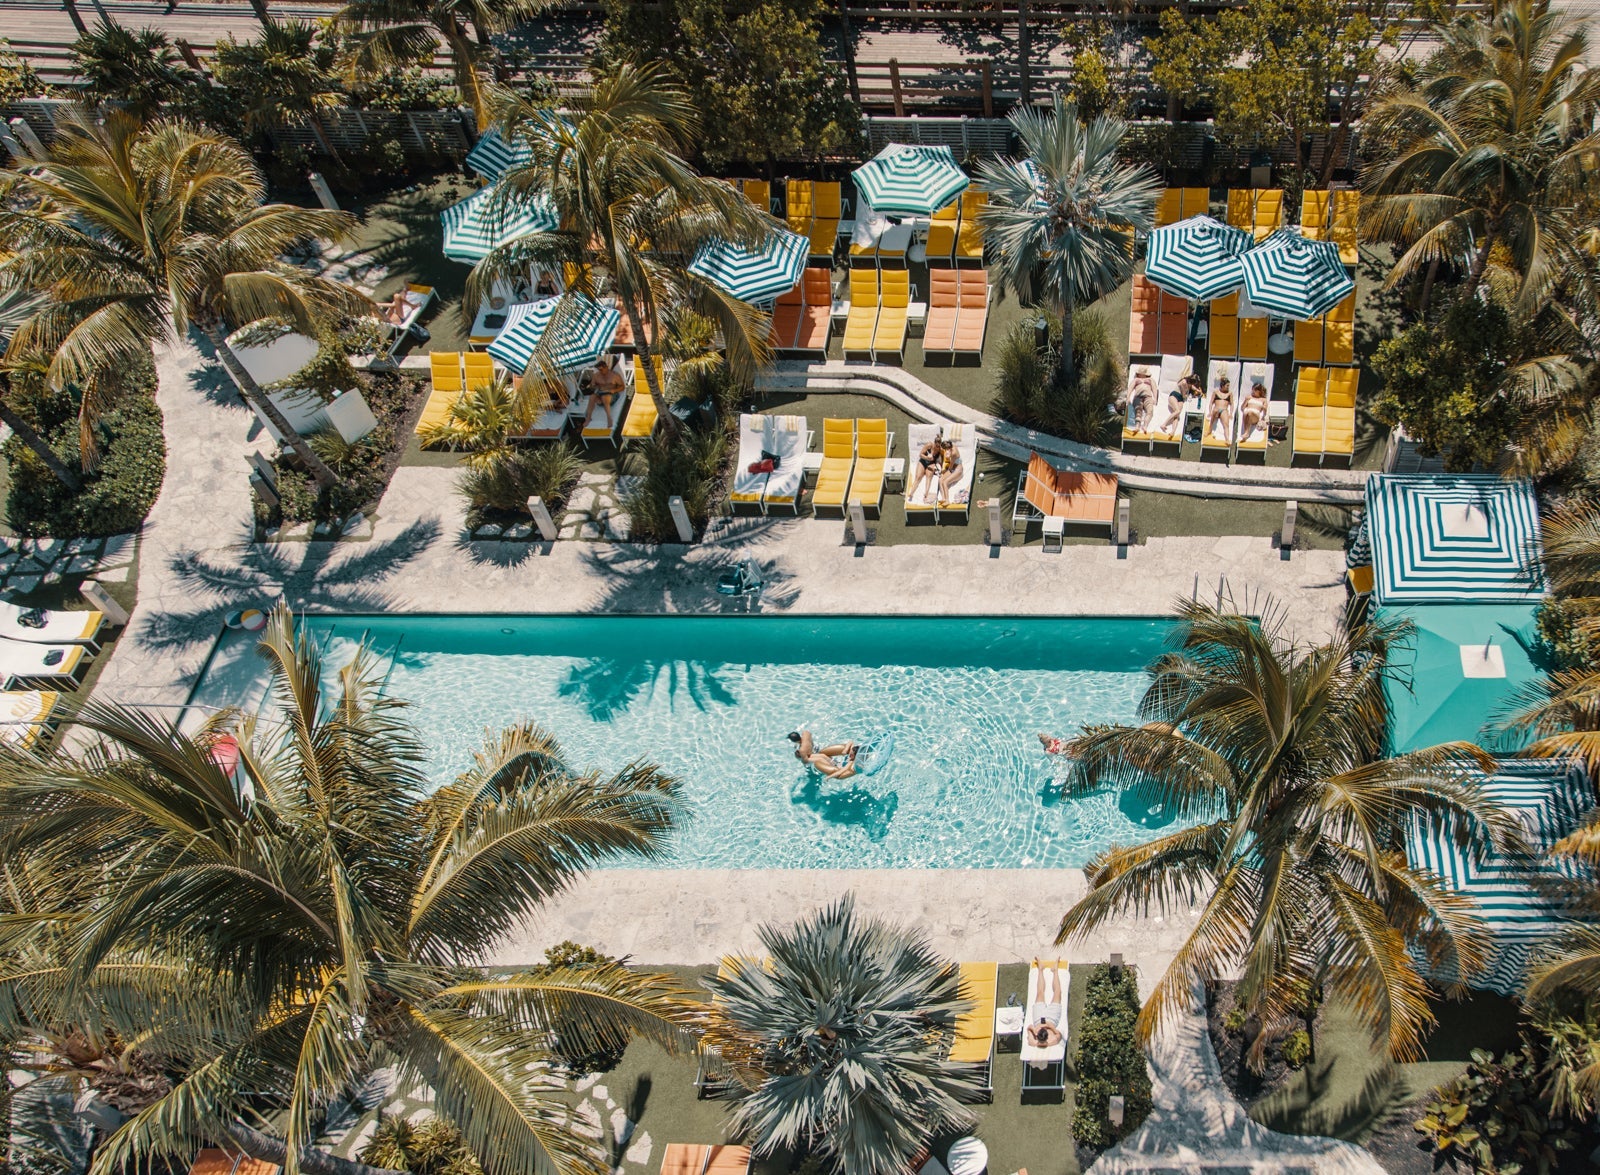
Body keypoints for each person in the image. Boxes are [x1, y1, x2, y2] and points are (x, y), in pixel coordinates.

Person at [788, 731, 858, 780]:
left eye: (852, 754)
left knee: (818, 760)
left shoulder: (802, 750)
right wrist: (845, 750)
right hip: (815, 748)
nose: (850, 755)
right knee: (822, 755)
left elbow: (806, 761)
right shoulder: (806, 734)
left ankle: (813, 775)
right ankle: (830, 761)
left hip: (837, 767)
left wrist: (829, 777)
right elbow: (851, 742)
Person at [1027, 959, 1064, 1048]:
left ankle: (1040, 969)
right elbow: (1059, 1034)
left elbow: (1029, 1027)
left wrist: (1035, 1030)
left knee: (1040, 992)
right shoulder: (1052, 1040)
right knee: (1058, 992)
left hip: (1038, 1018)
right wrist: (1049, 1026)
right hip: (1052, 1018)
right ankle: (1055, 971)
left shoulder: (1033, 1041)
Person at [583, 357, 625, 432]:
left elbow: (622, 387)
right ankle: (588, 418)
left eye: (602, 369)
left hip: (612, 396)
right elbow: (592, 386)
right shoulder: (596, 376)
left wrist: (614, 390)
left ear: (606, 367)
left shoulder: (614, 375)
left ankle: (609, 418)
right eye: (599, 370)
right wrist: (595, 386)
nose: (601, 371)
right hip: (600, 395)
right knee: (592, 397)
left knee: (605, 397)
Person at [908, 430, 943, 504]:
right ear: (934, 443)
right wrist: (927, 458)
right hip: (923, 461)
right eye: (936, 445)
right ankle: (911, 493)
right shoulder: (929, 445)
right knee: (918, 477)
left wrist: (941, 468)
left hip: (931, 463)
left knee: (929, 477)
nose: (937, 446)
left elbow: (941, 459)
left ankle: (926, 493)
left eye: (939, 445)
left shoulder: (940, 449)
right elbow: (920, 454)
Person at [1127, 367, 1158, 431]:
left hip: (1148, 397)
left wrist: (1155, 398)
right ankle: (1137, 426)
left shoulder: (1150, 379)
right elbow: (1130, 388)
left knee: (1150, 411)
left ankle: (1145, 426)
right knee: (1138, 411)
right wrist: (1128, 397)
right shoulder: (1136, 380)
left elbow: (1154, 388)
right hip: (1138, 397)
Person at [1207, 373, 1234, 443]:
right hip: (1215, 409)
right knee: (1215, 410)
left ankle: (1227, 439)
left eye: (1229, 386)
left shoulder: (1230, 394)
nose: (1228, 387)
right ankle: (1210, 429)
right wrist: (1210, 412)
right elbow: (1210, 403)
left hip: (1224, 410)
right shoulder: (1216, 392)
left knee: (1226, 425)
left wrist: (1231, 413)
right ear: (1222, 385)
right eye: (1227, 385)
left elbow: (1232, 404)